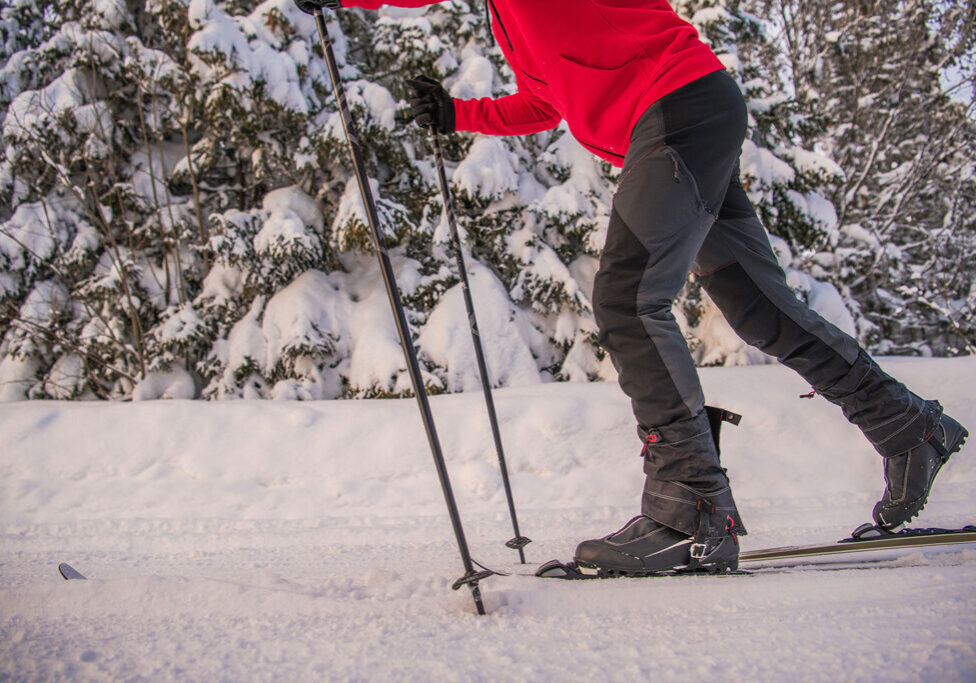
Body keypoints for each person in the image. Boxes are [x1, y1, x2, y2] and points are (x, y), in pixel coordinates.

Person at [295, 0, 969, 574]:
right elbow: (546, 101)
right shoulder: (515, 19)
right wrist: (458, 114)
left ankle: (690, 507)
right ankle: (909, 427)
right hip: (688, 119)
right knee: (760, 311)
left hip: (679, 111)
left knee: (626, 299)